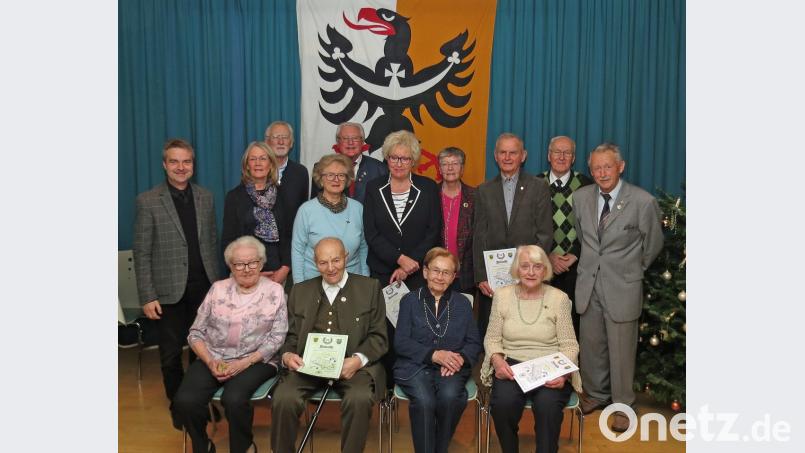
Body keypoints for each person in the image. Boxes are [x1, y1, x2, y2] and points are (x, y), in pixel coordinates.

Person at [573, 143, 663, 432]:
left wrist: (631, 270)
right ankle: (596, 395)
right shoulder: (580, 197)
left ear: (620, 167)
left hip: (623, 287)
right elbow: (585, 238)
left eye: (607, 167)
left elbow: (653, 245)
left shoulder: (642, 201)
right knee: (591, 346)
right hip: (589, 285)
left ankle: (623, 405)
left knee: (622, 350)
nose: (601, 173)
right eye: (596, 168)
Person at [271, 238, 388, 453]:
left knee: (359, 399)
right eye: (323, 262)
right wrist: (287, 355)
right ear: (315, 263)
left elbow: (379, 337)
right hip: (308, 365)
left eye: (336, 260)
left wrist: (357, 360)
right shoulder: (300, 291)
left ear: (347, 258)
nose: (331, 268)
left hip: (354, 368)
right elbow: (292, 336)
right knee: (284, 397)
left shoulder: (370, 288)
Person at [133, 138, 220, 429]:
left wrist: (218, 287)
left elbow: (210, 242)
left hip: (204, 289)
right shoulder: (148, 201)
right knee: (170, 355)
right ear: (164, 164)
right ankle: (178, 407)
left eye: (187, 162)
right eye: (174, 161)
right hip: (167, 293)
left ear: (193, 165)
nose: (181, 167)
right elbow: (142, 251)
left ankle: (196, 403)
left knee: (201, 352)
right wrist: (147, 295)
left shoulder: (205, 197)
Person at [173, 236, 288, 453]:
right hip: (214, 356)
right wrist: (209, 360)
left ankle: (243, 447)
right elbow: (195, 333)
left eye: (253, 262)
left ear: (262, 263)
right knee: (185, 400)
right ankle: (202, 444)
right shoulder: (217, 289)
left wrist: (243, 363)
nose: (246, 269)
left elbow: (277, 338)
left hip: (257, 359)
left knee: (234, 399)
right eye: (239, 264)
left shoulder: (274, 292)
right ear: (230, 266)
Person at [481, 245, 581, 453]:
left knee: (547, 407)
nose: (531, 272)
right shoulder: (502, 296)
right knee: (503, 404)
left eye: (537, 266)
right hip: (512, 364)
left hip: (549, 365)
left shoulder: (559, 298)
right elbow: (491, 338)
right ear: (517, 270)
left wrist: (562, 373)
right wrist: (498, 362)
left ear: (545, 270)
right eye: (525, 266)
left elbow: (570, 344)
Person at [394, 247, 482, 453]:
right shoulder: (409, 301)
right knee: (425, 401)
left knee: (451, 397)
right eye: (435, 270)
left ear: (453, 277)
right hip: (415, 366)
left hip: (451, 367)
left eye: (446, 273)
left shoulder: (462, 303)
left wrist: (460, 359)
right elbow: (401, 342)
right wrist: (433, 355)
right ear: (425, 272)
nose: (440, 277)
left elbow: (473, 342)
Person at [472, 133, 553, 338]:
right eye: (503, 152)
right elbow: (479, 235)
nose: (507, 157)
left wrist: (532, 270)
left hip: (527, 275)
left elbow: (544, 233)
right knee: (494, 335)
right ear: (495, 156)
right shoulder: (483, 190)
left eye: (513, 153)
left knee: (525, 333)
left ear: (523, 156)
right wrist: (481, 275)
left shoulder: (539, 187)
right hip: (493, 280)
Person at [363, 130, 441, 289]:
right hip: (383, 273)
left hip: (418, 271)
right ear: (387, 158)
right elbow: (371, 233)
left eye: (405, 158)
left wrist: (410, 263)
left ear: (413, 161)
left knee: (417, 314)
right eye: (394, 157)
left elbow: (433, 231)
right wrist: (399, 259)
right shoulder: (373, 188)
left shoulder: (428, 188)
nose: (399, 164)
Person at [538, 136, 593, 335]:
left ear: (573, 158)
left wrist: (575, 253)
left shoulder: (586, 184)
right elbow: (528, 225)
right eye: (557, 152)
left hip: (576, 266)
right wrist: (549, 255)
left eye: (567, 152)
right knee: (543, 322)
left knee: (571, 323)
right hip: (543, 265)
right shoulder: (536, 183)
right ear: (548, 155)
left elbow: (592, 226)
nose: (561, 157)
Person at [292, 153, 369, 283]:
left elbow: (363, 247)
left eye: (341, 175)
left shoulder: (358, 209)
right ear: (321, 179)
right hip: (314, 281)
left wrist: (365, 281)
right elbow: (297, 251)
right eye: (330, 175)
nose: (336, 179)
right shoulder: (306, 210)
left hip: (352, 281)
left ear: (347, 179)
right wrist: (299, 287)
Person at [222, 141, 291, 285]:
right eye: (253, 159)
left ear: (271, 164)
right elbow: (228, 240)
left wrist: (284, 269)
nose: (258, 163)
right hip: (243, 274)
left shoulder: (283, 194)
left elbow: (288, 235)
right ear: (247, 165)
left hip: (276, 275)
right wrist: (247, 273)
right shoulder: (234, 196)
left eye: (263, 158)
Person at [312, 122, 388, 203]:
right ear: (337, 141)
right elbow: (315, 204)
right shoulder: (322, 168)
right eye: (345, 138)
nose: (350, 142)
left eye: (355, 138)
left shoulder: (380, 169)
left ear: (362, 141)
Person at [437, 147, 477, 294]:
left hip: (465, 275)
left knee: (462, 316)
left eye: (455, 163)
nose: (450, 168)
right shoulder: (430, 195)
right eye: (445, 164)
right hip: (436, 273)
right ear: (439, 169)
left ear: (462, 168)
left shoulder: (475, 197)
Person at [265, 120, 309, 225]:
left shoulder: (301, 172)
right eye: (276, 137)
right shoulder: (258, 170)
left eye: (285, 137)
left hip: (291, 237)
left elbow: (302, 211)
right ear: (267, 142)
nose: (281, 142)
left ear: (291, 143)